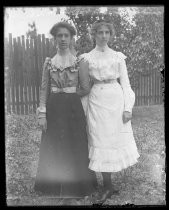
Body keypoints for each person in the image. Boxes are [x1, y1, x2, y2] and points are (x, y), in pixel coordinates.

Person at [79, 20, 140, 203]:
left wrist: (128, 108)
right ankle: (107, 185)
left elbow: (126, 84)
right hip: (97, 99)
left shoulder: (118, 57)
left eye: (107, 32)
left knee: (113, 140)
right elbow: (84, 85)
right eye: (100, 32)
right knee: (100, 139)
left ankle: (109, 186)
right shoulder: (87, 58)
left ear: (111, 35)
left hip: (116, 99)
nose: (103, 35)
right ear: (94, 35)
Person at [34, 22, 97, 198]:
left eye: (66, 36)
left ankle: (78, 187)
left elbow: (85, 87)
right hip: (53, 108)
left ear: (71, 38)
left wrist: (69, 93)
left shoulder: (79, 62)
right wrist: (42, 114)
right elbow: (43, 89)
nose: (63, 39)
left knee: (75, 144)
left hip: (73, 108)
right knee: (54, 144)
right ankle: (53, 187)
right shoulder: (49, 63)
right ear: (55, 38)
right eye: (59, 36)